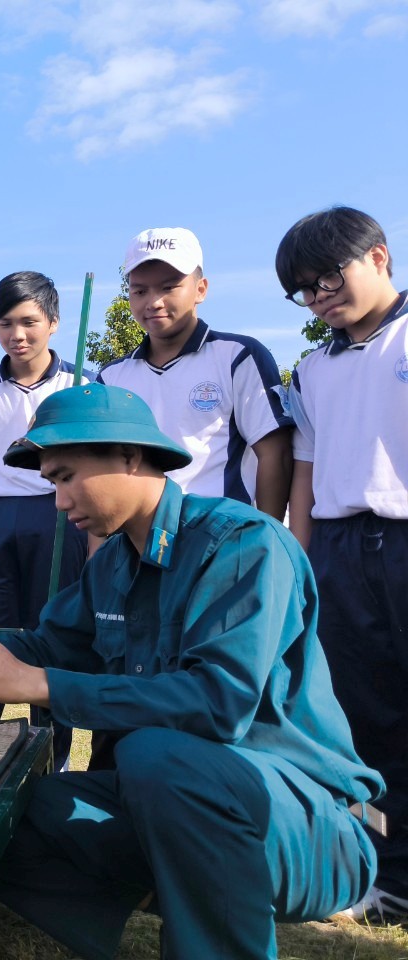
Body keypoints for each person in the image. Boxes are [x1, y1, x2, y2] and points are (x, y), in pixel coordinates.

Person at [0, 383, 382, 960]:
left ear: (130, 457)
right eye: (52, 483)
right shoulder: (113, 563)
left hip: (310, 827)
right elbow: (46, 647)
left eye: (66, 476)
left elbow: (218, 703)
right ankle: (187, 894)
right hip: (180, 806)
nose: (60, 502)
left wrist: (39, 686)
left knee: (154, 754)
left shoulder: (242, 543)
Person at [277, 205, 408, 924]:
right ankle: (387, 877)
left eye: (331, 273)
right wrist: (298, 562)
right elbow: (305, 468)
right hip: (339, 548)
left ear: (380, 258)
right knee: (365, 715)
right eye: (304, 286)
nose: (321, 293)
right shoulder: (312, 369)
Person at [0, 273, 86, 768]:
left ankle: (54, 761)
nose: (17, 335)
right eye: (5, 324)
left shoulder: (85, 384)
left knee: (54, 640)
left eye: (29, 322)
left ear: (53, 323)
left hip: (63, 517)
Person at [97, 227, 292, 520]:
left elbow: (274, 454)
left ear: (200, 289)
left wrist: (269, 538)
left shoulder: (237, 356)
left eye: (168, 287)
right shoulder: (112, 377)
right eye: (139, 290)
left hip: (222, 536)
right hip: (137, 539)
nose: (154, 302)